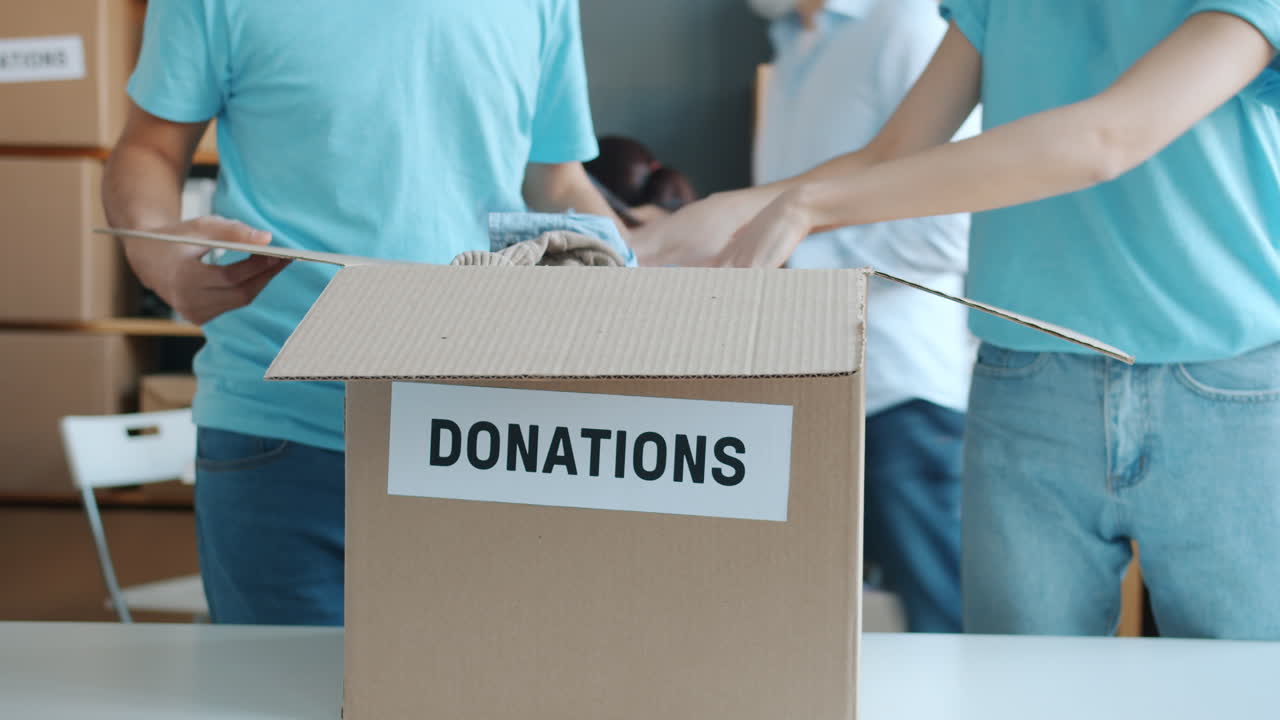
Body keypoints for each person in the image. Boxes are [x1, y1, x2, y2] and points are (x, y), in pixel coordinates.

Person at [636, 2, 1280, 639]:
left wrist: (804, 207)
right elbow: (892, 152)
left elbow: (1106, 139)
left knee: (1244, 692)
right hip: (1026, 383)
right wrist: (724, 218)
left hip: (1229, 388)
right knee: (1017, 696)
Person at [103, 0, 624, 626]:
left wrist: (629, 279)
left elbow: (557, 180)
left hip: (482, 430)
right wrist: (158, 255)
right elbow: (148, 150)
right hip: (281, 423)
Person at [749, 0, 978, 632]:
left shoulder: (908, 29)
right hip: (820, 395)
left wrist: (790, 257)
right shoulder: (791, 41)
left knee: (947, 629)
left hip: (902, 396)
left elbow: (949, 234)